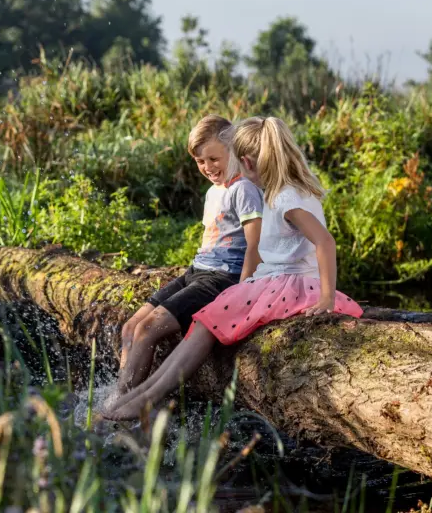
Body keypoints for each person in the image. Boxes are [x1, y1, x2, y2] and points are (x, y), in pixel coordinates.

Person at [101, 116, 364, 421]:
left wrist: (327, 298)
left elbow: (325, 242)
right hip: (275, 281)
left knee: (206, 322)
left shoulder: (285, 197)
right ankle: (141, 395)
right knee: (204, 321)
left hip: (284, 285)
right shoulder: (286, 192)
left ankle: (146, 398)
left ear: (248, 163)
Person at [115, 114, 264, 397]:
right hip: (196, 271)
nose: (207, 167)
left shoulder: (243, 189)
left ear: (232, 150)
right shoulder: (212, 192)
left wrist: (244, 291)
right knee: (130, 327)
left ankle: (122, 407)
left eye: (213, 159)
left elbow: (255, 245)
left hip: (222, 278)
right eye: (200, 161)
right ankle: (121, 393)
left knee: (148, 329)